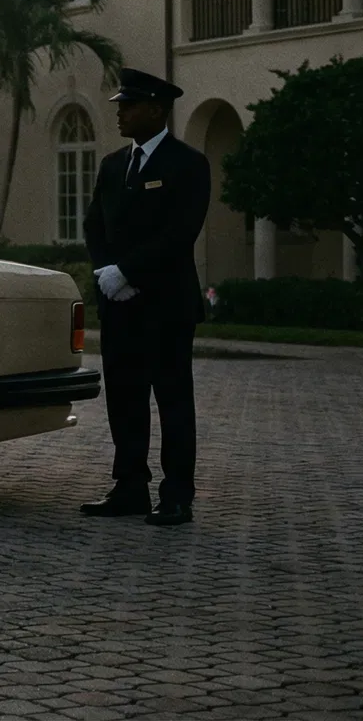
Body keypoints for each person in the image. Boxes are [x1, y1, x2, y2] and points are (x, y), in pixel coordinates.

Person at [80, 67, 210, 527]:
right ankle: (130, 486)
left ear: (156, 110)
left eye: (129, 106)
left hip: (165, 305)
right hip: (120, 303)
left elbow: (180, 232)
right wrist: (106, 273)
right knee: (125, 398)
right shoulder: (114, 164)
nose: (120, 114)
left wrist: (129, 271)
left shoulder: (187, 164)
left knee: (173, 401)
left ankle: (176, 495)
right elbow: (94, 225)